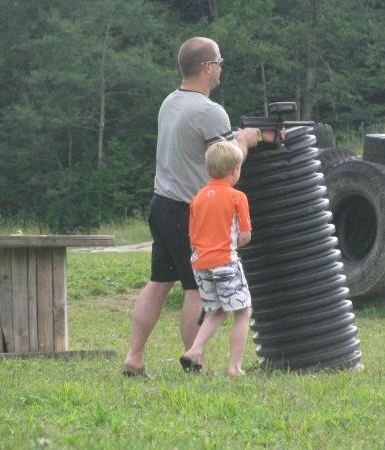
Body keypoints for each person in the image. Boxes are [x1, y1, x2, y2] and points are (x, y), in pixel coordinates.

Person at [122, 36, 266, 377]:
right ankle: (194, 363)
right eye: (219, 62)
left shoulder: (170, 102)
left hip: (161, 205)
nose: (220, 68)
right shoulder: (209, 111)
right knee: (196, 290)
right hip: (189, 212)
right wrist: (244, 139)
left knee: (158, 283)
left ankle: (134, 358)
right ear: (207, 67)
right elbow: (229, 166)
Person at [179, 140, 253, 377]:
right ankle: (234, 367)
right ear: (234, 170)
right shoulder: (237, 197)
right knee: (243, 311)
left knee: (218, 310)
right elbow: (245, 236)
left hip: (200, 264)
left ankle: (194, 350)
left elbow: (192, 236)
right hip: (225, 262)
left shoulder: (197, 199)